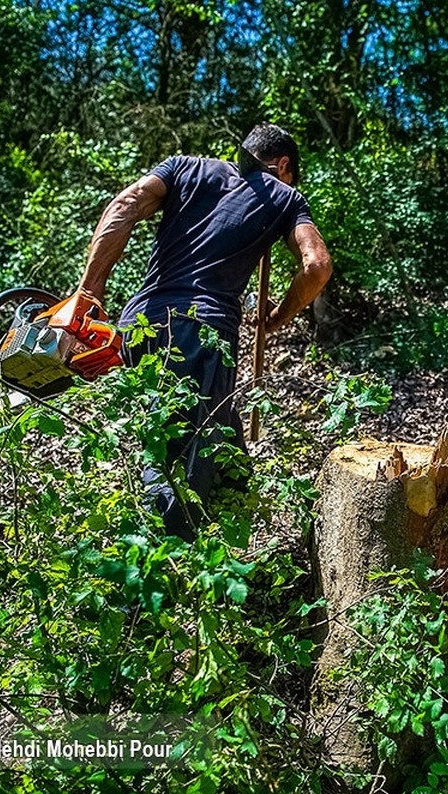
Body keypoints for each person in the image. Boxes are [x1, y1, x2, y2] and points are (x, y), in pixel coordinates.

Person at [77, 123, 332, 538]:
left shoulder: (183, 167)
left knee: (222, 450)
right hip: (201, 336)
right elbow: (316, 266)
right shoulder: (286, 198)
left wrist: (89, 291)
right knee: (177, 469)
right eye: (289, 175)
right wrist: (280, 316)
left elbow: (124, 206)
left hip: (138, 327)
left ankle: (237, 554)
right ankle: (160, 585)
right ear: (283, 165)